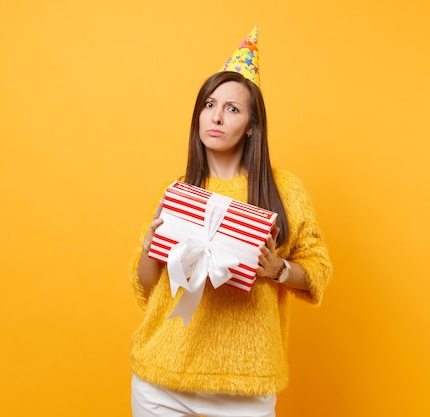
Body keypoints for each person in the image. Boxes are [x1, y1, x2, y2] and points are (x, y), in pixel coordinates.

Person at [128, 28, 333, 417]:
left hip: (246, 387)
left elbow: (319, 270)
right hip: (161, 378)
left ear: (252, 126)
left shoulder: (284, 190)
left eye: (233, 109)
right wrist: (151, 248)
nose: (217, 117)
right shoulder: (177, 189)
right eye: (209, 105)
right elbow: (144, 285)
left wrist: (280, 270)